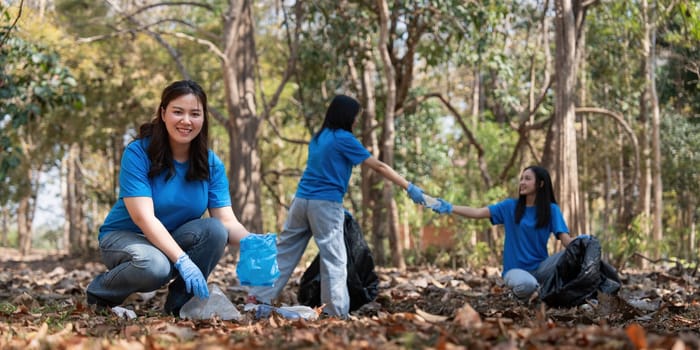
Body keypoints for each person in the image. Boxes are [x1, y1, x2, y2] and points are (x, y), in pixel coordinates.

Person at [248, 94, 426, 318]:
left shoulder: (319, 137)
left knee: (284, 251)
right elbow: (378, 166)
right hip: (325, 204)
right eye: (355, 117)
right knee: (334, 259)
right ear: (346, 116)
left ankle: (257, 298)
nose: (355, 122)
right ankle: (334, 314)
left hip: (300, 202)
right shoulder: (344, 139)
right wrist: (408, 186)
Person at [86, 80, 251, 316]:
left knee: (214, 230)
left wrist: (252, 243)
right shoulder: (138, 153)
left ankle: (180, 305)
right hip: (125, 238)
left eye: (195, 114)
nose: (186, 121)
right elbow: (144, 218)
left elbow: (226, 221)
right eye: (178, 112)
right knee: (155, 266)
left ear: (203, 119)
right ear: (163, 114)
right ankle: (99, 295)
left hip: (170, 241)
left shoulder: (210, 163)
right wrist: (182, 260)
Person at [431, 165, 583, 302]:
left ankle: (597, 288)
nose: (522, 182)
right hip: (515, 271)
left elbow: (567, 242)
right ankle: (524, 293)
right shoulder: (510, 206)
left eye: (527, 179)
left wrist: (584, 242)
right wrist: (449, 207)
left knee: (579, 248)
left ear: (540, 184)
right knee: (527, 285)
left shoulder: (551, 210)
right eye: (521, 179)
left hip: (542, 269)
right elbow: (477, 212)